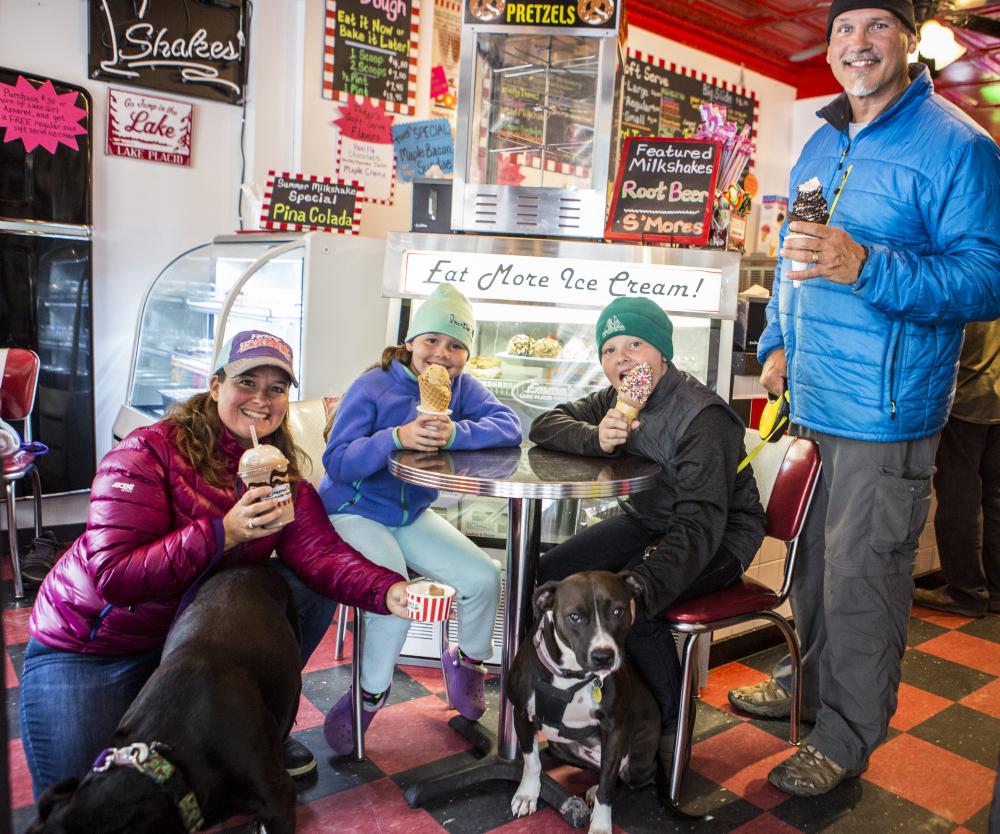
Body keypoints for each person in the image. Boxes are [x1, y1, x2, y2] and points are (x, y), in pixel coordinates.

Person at [727, 0, 1000, 797]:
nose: (857, 43)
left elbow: (985, 280)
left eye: (877, 25)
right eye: (845, 28)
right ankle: (807, 682)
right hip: (812, 397)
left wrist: (869, 265)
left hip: (887, 410)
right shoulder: (818, 142)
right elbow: (793, 258)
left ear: (910, 40)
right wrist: (776, 340)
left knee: (864, 578)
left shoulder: (960, 147)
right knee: (809, 564)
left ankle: (847, 736)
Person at [19, 330, 410, 799]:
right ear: (215, 385)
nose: (262, 400)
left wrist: (388, 591)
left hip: (191, 643)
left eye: (277, 388)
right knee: (87, 800)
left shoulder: (279, 471)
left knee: (303, 583)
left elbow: (321, 554)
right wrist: (224, 532)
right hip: (95, 648)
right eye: (247, 382)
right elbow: (114, 577)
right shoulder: (146, 453)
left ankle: (260, 724)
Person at [528, 297, 766, 781]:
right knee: (552, 573)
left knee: (635, 611)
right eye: (610, 348)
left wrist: (641, 588)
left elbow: (699, 527)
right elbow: (544, 424)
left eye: (635, 343)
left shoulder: (704, 418)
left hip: (720, 536)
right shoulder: (618, 399)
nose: (622, 358)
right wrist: (596, 437)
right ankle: (566, 700)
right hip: (649, 519)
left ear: (662, 352)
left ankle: (667, 732)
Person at [319, 284, 522, 753]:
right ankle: (368, 696)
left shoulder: (461, 389)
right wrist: (395, 436)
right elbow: (337, 461)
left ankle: (467, 663)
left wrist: (455, 434)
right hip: (353, 510)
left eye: (455, 346)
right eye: (431, 339)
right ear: (410, 341)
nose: (442, 353)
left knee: (484, 576)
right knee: (396, 595)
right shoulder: (372, 386)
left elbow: (509, 425)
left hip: (410, 514)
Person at [914, 319, 1000, 617]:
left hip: (966, 400)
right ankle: (997, 590)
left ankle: (966, 592)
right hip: (996, 399)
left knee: (958, 499)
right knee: (995, 499)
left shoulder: (971, 273)